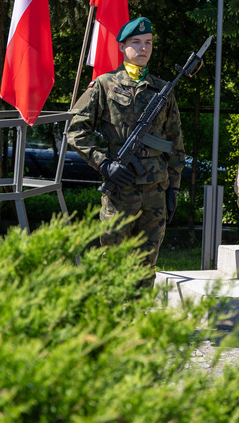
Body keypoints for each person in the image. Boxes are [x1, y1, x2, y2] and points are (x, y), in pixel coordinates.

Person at [68, 17, 185, 284]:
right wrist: (104, 164)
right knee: (113, 263)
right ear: (122, 47)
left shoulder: (163, 89)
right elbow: (76, 130)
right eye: (136, 43)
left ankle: (140, 322)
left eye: (148, 43)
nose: (143, 48)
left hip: (156, 190)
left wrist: (174, 189)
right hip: (121, 189)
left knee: (146, 266)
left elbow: (175, 143)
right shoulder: (104, 85)